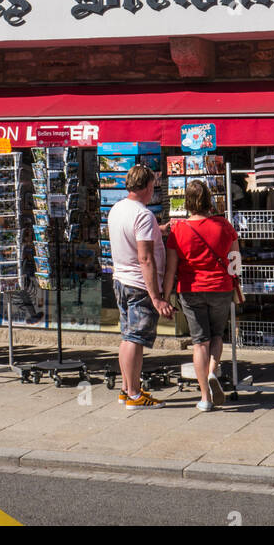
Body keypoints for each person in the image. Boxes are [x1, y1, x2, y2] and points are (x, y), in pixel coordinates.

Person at [162, 179, 238, 412]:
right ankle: (213, 371)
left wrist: (164, 297)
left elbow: (171, 269)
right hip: (220, 287)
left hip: (191, 289)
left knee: (199, 343)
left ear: (187, 202)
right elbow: (235, 261)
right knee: (217, 336)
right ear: (209, 200)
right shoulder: (224, 225)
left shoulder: (179, 229)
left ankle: (205, 397)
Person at [107, 163, 173, 409]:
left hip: (121, 279)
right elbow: (145, 258)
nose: (153, 190)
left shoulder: (117, 209)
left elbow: (131, 238)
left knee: (127, 337)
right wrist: (156, 297)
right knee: (135, 339)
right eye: (153, 186)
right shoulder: (143, 215)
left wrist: (160, 229)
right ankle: (134, 393)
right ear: (147, 186)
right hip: (139, 284)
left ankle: (127, 389)